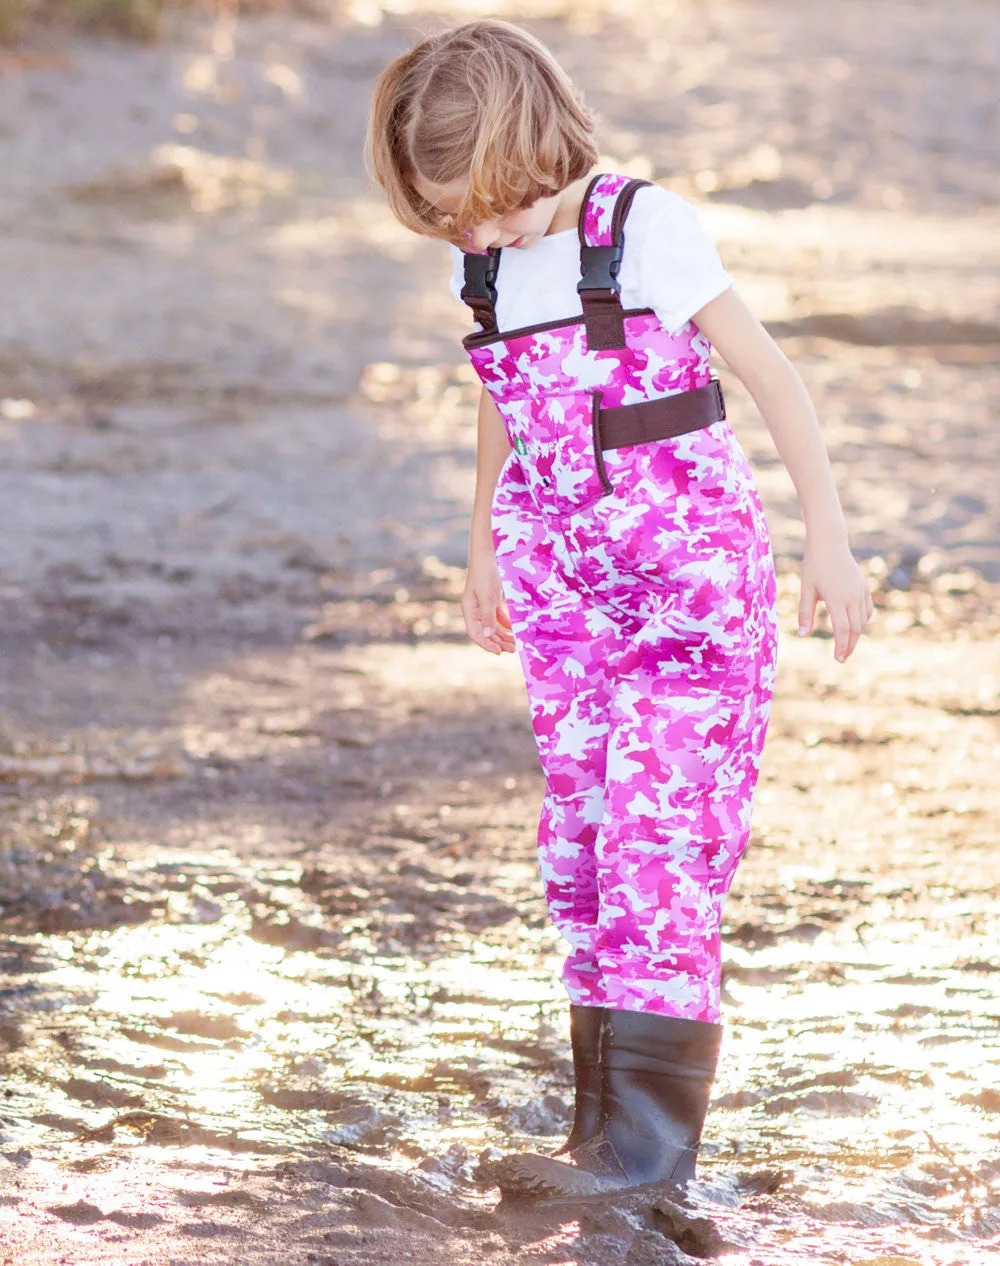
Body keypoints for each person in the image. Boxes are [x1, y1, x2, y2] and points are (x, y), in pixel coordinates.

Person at [365, 18, 874, 1202]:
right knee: (587, 844)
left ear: (537, 144)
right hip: (562, 593)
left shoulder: (643, 230)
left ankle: (651, 1151)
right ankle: (602, 1132)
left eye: (488, 209)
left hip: (687, 593)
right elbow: (502, 392)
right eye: (450, 221)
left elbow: (771, 377)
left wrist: (830, 544)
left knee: (658, 843)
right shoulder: (482, 261)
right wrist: (480, 540)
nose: (476, 236)